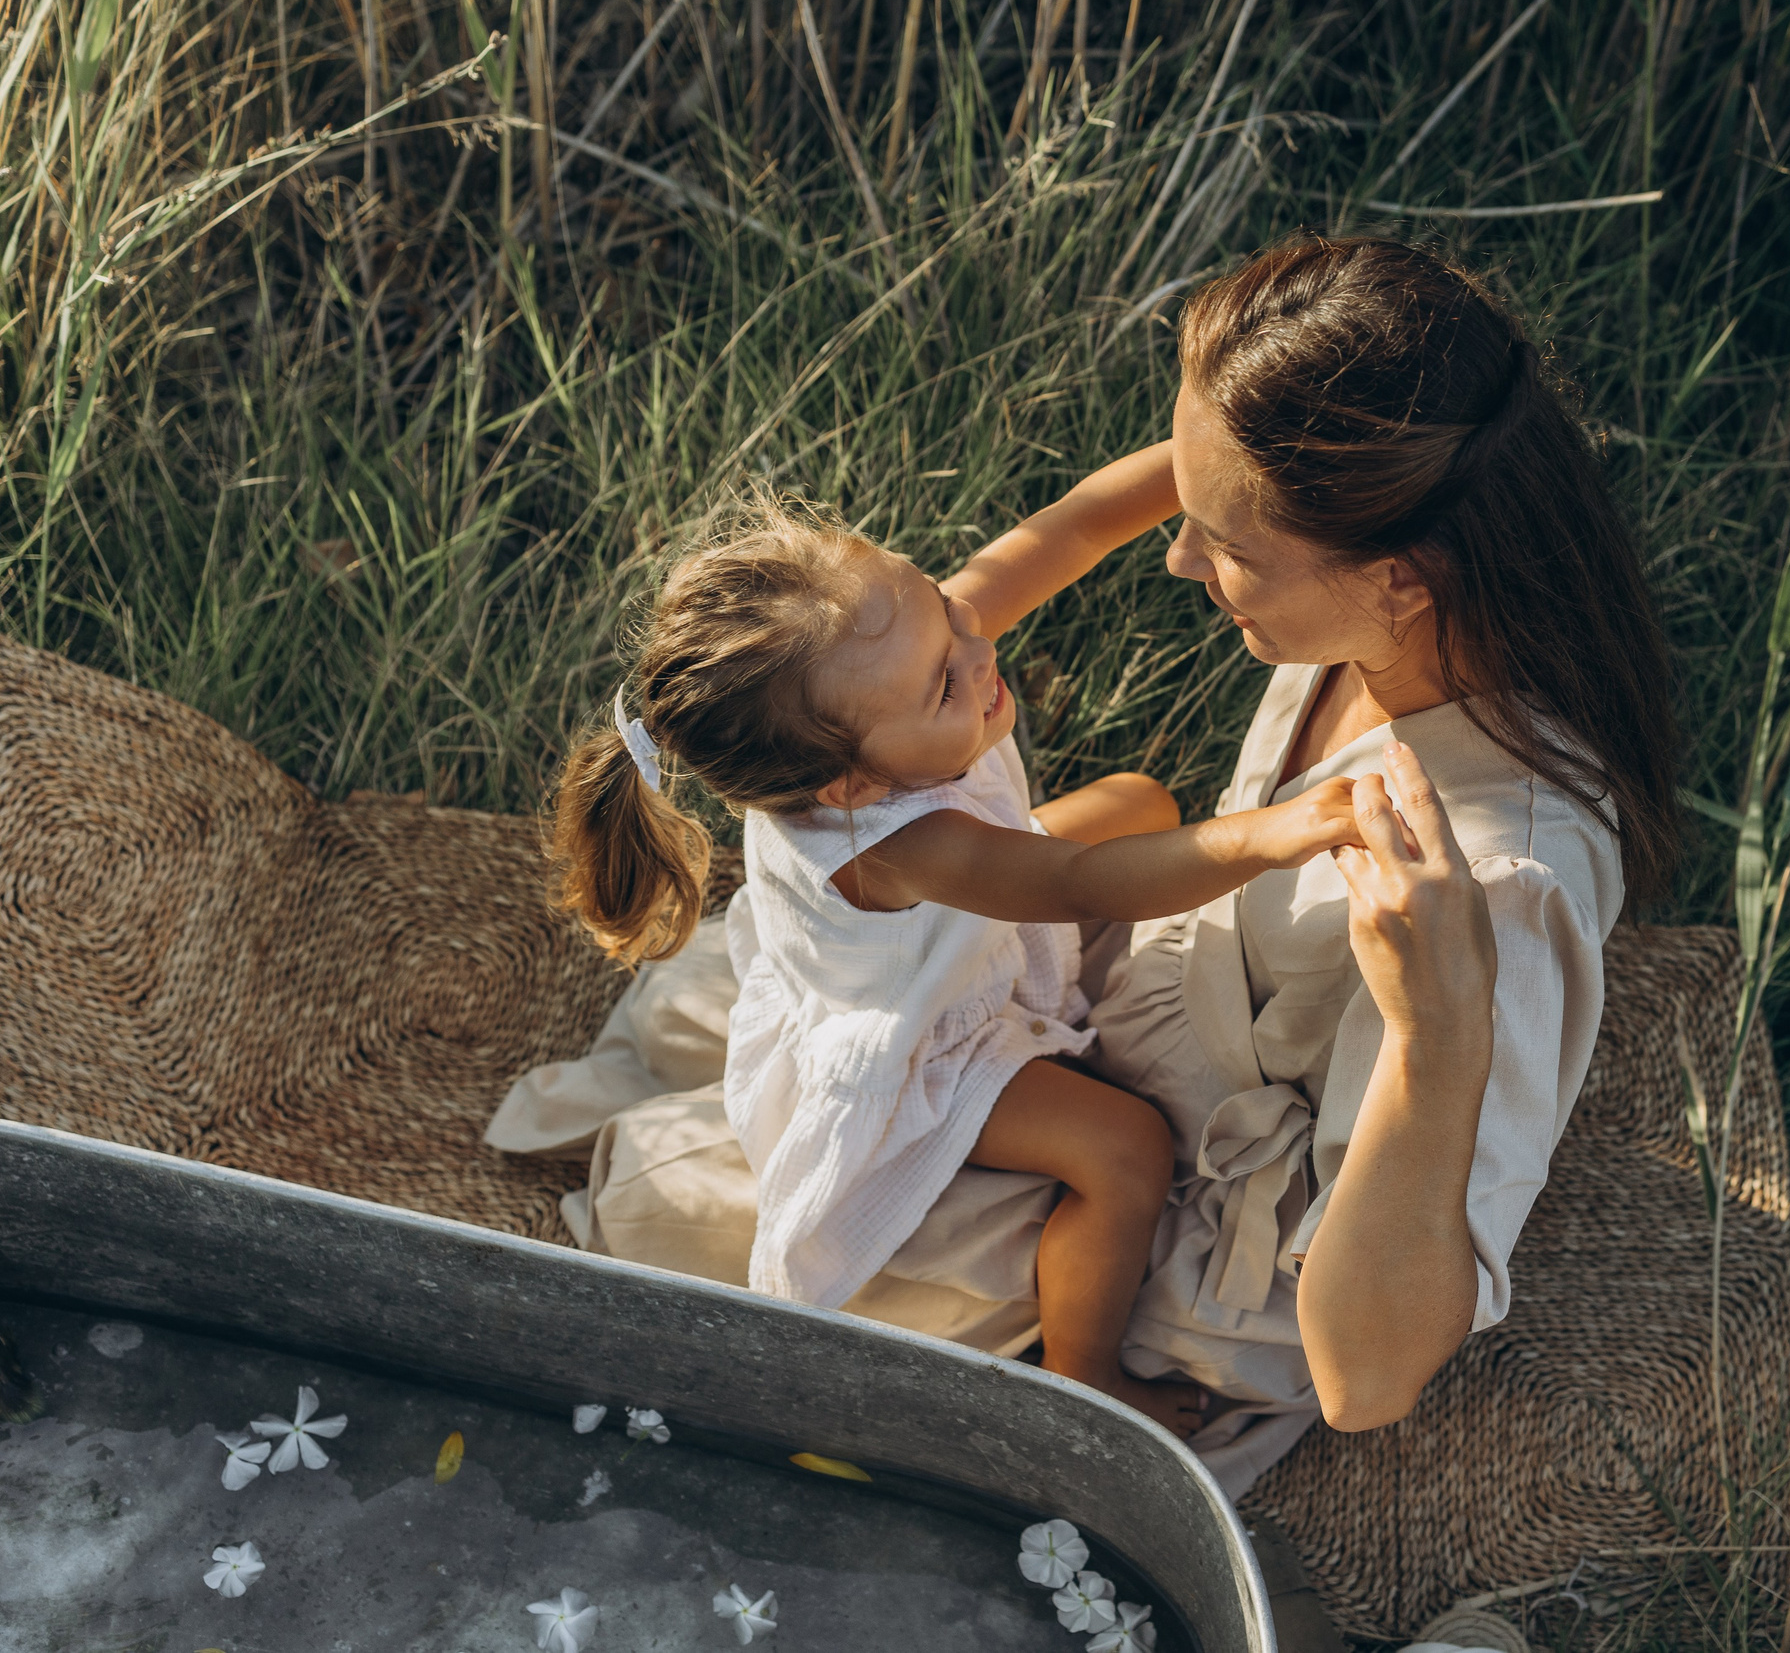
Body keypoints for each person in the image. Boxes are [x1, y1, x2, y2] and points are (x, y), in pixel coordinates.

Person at [488, 233, 1681, 1494]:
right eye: (1195, 506)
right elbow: (1098, 557)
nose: (1179, 558)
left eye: (1226, 543)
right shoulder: (1380, 621)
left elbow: (1367, 1380)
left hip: (1194, 1199)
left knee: (674, 1202)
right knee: (754, 1026)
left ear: (1396, 577)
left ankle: (1076, 1366)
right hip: (1131, 996)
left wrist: (1438, 1036)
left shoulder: (1490, 890)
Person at [541, 485, 1362, 1433]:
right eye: (944, 680)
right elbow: (1080, 883)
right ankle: (1084, 1372)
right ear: (850, 784)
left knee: (1139, 798)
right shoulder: (893, 842)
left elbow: (1069, 530)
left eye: (945, 603)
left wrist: (1199, 463)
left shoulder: (891, 667)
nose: (979, 650)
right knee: (1125, 1147)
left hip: (949, 936)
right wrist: (1273, 834)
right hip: (929, 1037)